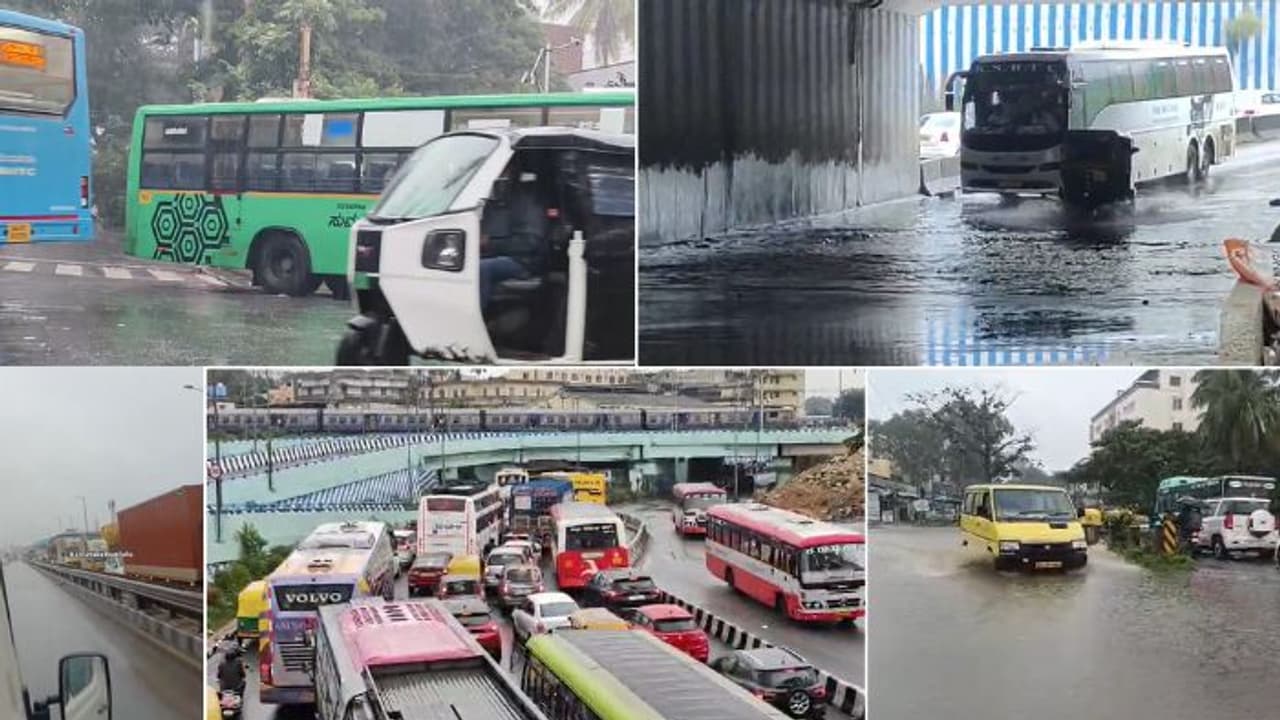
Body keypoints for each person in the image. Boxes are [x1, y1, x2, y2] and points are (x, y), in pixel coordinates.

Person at [479, 166, 552, 313]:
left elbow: (529, 242)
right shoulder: (491, 202)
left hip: (523, 260)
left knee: (481, 268)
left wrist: (489, 243)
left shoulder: (528, 202)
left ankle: (477, 316)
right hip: (492, 253)